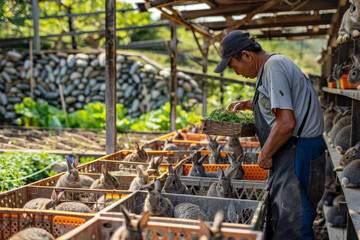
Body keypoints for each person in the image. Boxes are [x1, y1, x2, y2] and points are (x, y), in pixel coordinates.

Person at [214, 30, 326, 240]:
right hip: (292, 150)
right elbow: (277, 102)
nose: (236, 72)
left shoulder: (273, 67)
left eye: (233, 66)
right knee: (284, 219)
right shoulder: (267, 69)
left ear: (246, 55)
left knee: (294, 224)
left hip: (298, 151)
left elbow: (285, 124)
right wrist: (249, 104)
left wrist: (265, 154)